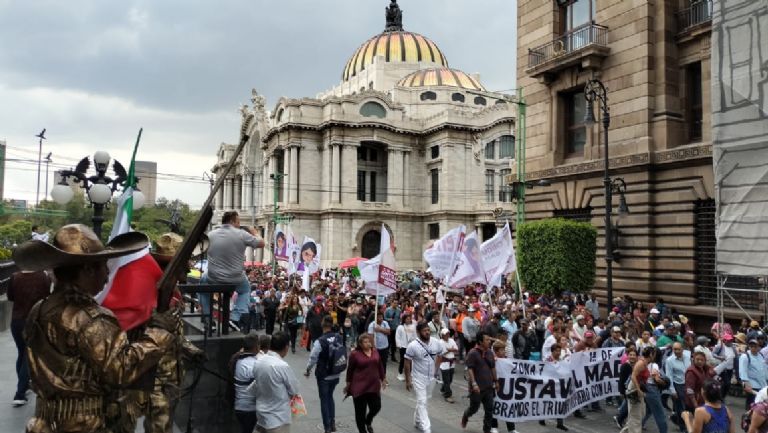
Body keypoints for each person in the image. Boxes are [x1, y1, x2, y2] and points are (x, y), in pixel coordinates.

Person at [13, 224, 176, 433]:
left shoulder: (39, 308)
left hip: (44, 422)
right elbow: (121, 370)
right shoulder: (91, 318)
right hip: (86, 424)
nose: (107, 275)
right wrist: (159, 332)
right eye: (103, 267)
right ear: (87, 270)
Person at [202, 211, 265, 331]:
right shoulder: (241, 234)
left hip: (213, 278)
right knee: (246, 289)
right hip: (235, 278)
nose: (239, 224)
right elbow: (261, 243)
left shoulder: (211, 234)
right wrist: (255, 232)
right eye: (238, 222)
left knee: (202, 285)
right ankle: (235, 317)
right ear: (232, 221)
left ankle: (207, 317)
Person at [6, 268, 51, 406]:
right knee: (28, 354)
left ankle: (23, 387)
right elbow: (47, 296)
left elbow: (10, 297)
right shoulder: (44, 276)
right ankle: (20, 393)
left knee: (22, 352)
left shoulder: (14, 276)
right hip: (34, 320)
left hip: (17, 321)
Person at [248, 331, 300, 433]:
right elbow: (294, 390)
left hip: (261, 415)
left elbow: (255, 384)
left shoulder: (258, 361)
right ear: (286, 347)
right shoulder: (282, 366)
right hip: (278, 418)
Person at [305, 316, 344, 433]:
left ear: (322, 325)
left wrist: (308, 369)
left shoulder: (320, 341)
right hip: (336, 373)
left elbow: (313, 357)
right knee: (330, 397)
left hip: (324, 375)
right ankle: (332, 423)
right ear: (332, 325)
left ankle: (327, 426)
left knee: (324, 399)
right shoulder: (338, 337)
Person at [404, 321, 445, 433]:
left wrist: (436, 369)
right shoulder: (412, 345)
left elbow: (441, 354)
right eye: (424, 331)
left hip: (431, 378)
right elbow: (407, 362)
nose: (427, 332)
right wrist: (408, 380)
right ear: (418, 332)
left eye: (428, 330)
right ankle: (427, 428)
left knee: (423, 400)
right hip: (418, 377)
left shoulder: (436, 342)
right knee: (422, 401)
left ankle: (417, 421)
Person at [345, 334, 386, 433]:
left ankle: (368, 420)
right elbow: (350, 370)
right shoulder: (355, 354)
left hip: (373, 385)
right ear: (360, 344)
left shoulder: (375, 352)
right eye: (365, 342)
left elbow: (380, 365)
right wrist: (348, 384)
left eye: (369, 342)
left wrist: (383, 378)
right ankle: (362, 430)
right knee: (360, 413)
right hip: (359, 387)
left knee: (376, 406)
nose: (368, 344)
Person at [461, 331, 496, 433]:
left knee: (489, 410)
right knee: (474, 408)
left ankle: (487, 430)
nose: (489, 341)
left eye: (489, 339)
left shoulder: (490, 352)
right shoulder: (473, 353)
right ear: (480, 341)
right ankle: (466, 415)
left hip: (489, 387)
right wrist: (474, 384)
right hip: (477, 388)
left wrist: (496, 381)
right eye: (487, 340)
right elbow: (470, 369)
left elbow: (493, 367)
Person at [233, 334, 261, 433]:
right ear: (256, 346)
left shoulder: (239, 360)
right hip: (249, 409)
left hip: (240, 405)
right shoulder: (253, 364)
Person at [623, 347, 653, 433]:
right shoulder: (641, 363)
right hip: (634, 389)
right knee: (636, 415)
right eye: (654, 354)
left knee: (641, 413)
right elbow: (633, 376)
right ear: (651, 355)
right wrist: (638, 389)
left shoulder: (645, 362)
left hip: (639, 388)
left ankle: (627, 430)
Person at [666, 342, 692, 431]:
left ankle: (674, 417)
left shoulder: (688, 357)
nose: (676, 351)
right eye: (674, 349)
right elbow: (669, 376)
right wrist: (673, 391)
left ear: (682, 349)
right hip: (678, 386)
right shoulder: (669, 360)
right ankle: (683, 428)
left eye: (678, 349)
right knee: (682, 408)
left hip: (688, 385)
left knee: (689, 406)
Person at [740, 338, 768, 409]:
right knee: (751, 406)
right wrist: (746, 383)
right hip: (752, 385)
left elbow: (764, 369)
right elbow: (743, 370)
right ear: (749, 346)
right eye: (751, 346)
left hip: (762, 384)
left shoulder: (761, 356)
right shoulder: (745, 356)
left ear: (758, 347)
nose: (753, 348)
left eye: (755, 346)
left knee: (760, 405)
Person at [438, 328, 458, 403]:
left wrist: (449, 349)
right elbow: (442, 353)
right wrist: (450, 349)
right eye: (446, 334)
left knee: (450, 379)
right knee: (446, 380)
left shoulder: (452, 340)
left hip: (452, 362)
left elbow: (456, 349)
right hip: (444, 363)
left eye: (448, 334)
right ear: (442, 335)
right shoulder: (440, 342)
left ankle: (443, 389)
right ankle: (448, 395)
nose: (447, 335)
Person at [396, 313, 417, 381]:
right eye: (407, 319)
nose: (408, 320)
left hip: (411, 346)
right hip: (403, 346)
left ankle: (409, 373)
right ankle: (400, 373)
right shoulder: (400, 327)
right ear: (404, 320)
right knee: (403, 360)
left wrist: (415, 343)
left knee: (410, 361)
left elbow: (415, 336)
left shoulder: (413, 326)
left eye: (409, 319)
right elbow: (397, 336)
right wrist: (399, 345)